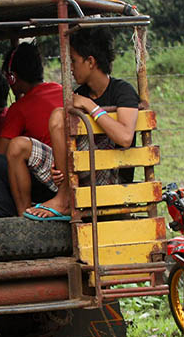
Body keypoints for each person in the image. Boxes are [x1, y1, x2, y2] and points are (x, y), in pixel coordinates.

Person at [24, 27, 140, 220]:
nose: (70, 67)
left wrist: (89, 105)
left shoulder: (122, 91)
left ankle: (63, 199)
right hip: (84, 172)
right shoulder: (82, 92)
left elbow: (125, 137)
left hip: (112, 175)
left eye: (74, 61)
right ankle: (64, 193)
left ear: (91, 61)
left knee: (57, 116)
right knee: (20, 145)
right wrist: (59, 166)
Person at [0, 43, 63, 217]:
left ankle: (14, 216)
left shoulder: (19, 108)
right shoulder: (62, 90)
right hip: (68, 172)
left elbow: (0, 156)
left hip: (50, 181)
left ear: (12, 78)